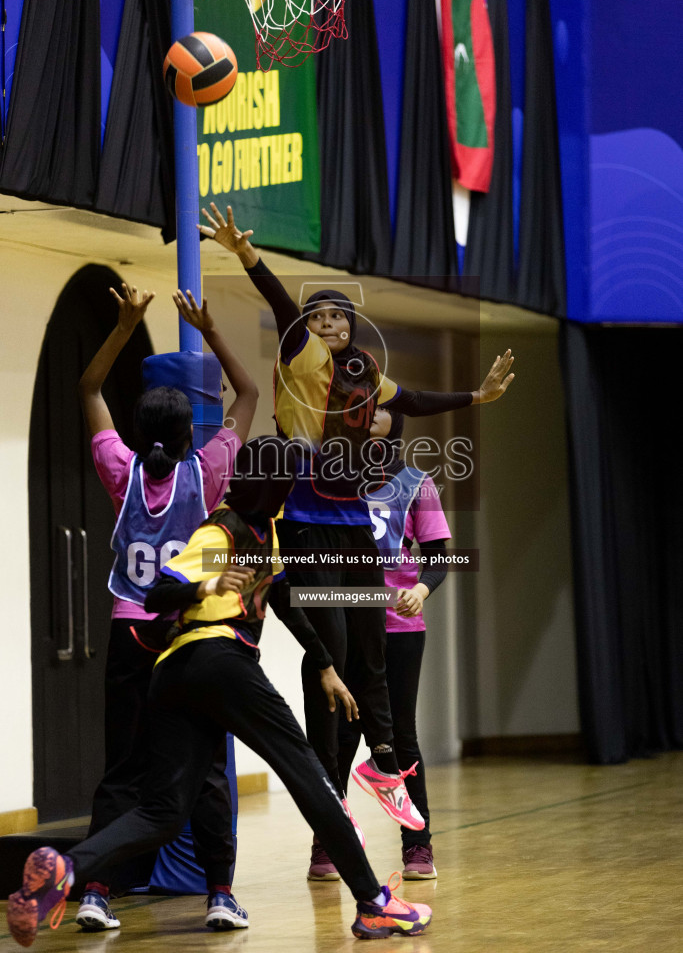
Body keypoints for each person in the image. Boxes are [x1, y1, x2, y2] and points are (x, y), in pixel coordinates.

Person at [6, 438, 433, 949]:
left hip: (176, 675)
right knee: (310, 776)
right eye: (288, 479)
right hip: (218, 661)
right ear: (273, 485)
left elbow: (283, 601)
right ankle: (374, 905)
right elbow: (159, 591)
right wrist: (206, 587)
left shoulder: (264, 532)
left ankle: (63, 869)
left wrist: (323, 665)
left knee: (163, 811)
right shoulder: (220, 529)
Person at [198, 204, 515, 878]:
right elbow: (280, 301)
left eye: (337, 318)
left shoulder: (365, 377)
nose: (329, 327)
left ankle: (388, 775)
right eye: (320, 319)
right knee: (332, 663)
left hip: (350, 534)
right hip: (307, 520)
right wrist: (248, 258)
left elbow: (417, 399)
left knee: (368, 664)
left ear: (352, 327)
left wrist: (474, 397)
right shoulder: (302, 353)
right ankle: (332, 820)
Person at [75, 282, 258, 932]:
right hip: (188, 641)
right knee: (205, 770)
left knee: (122, 770)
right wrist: (208, 330)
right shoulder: (206, 472)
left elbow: (90, 390)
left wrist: (125, 325)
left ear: (140, 432)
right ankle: (219, 893)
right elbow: (248, 396)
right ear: (189, 435)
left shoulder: (120, 470)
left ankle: (95, 891)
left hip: (131, 635)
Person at [338, 406, 450, 881]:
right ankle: (328, 842)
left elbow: (441, 558)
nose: (369, 417)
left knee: (401, 732)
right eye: (360, 410)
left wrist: (420, 589)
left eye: (379, 410)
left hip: (400, 629)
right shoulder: (332, 478)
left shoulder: (415, 483)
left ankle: (418, 846)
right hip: (345, 626)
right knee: (339, 736)